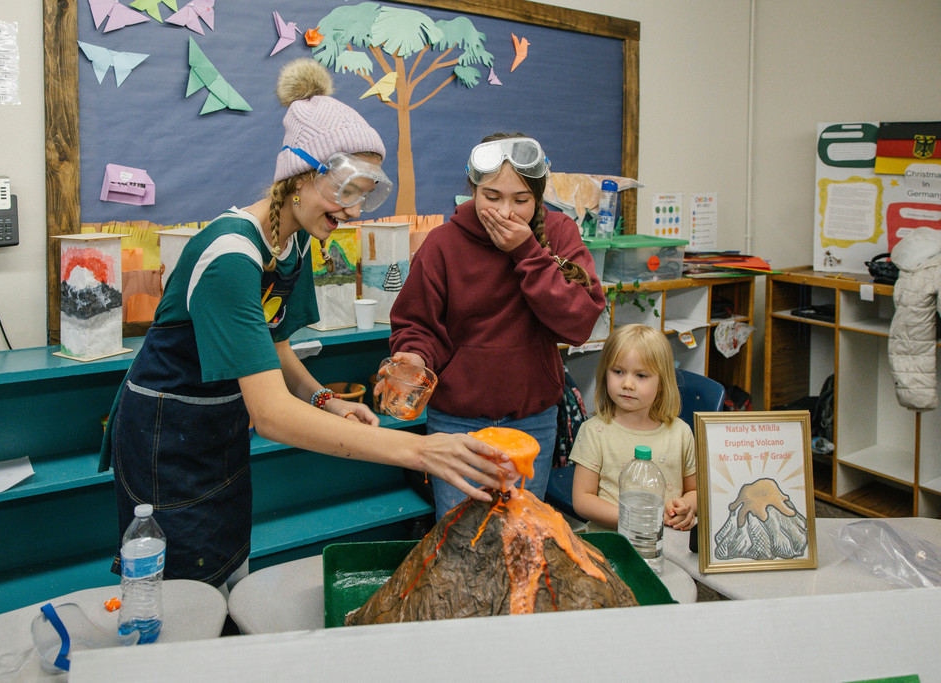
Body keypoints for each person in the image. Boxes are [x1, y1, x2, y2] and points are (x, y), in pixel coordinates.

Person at [99, 59, 506, 591]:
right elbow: (268, 413)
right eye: (346, 189)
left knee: (223, 559)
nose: (354, 210)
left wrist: (323, 400)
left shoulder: (292, 243)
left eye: (366, 193)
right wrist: (419, 450)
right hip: (164, 437)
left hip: (219, 427)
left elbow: (277, 347)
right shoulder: (230, 256)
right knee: (177, 586)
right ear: (298, 175)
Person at [383, 132, 607, 521]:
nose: (505, 212)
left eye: (521, 200)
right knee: (459, 535)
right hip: (456, 422)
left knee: (521, 533)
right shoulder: (442, 244)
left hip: (532, 419)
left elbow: (580, 322)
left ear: (537, 197)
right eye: (491, 197)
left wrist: (526, 252)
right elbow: (418, 324)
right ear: (472, 190)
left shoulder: (559, 234)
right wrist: (414, 357)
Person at [569, 323, 697, 532]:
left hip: (668, 544)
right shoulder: (594, 432)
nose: (627, 384)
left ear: (662, 383)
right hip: (611, 545)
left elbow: (695, 491)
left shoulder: (681, 433)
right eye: (618, 371)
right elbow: (582, 500)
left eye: (641, 376)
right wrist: (635, 518)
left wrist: (686, 507)